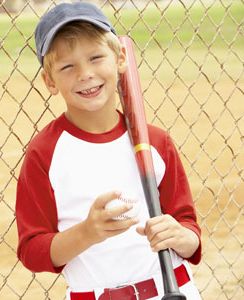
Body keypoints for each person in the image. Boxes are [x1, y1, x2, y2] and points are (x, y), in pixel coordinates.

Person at [16, 2, 202, 299]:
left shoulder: (155, 142)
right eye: (67, 66)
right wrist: (87, 232)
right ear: (49, 81)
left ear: (120, 59)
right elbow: (32, 250)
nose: (85, 73)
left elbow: (189, 230)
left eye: (96, 57)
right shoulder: (45, 153)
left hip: (174, 289)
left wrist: (181, 237)